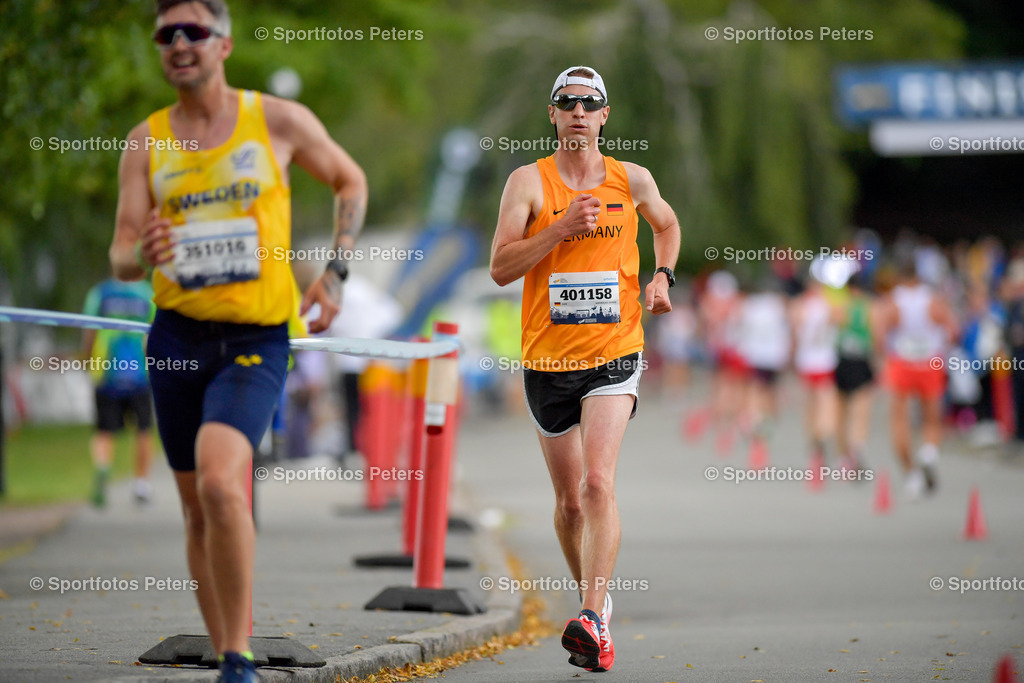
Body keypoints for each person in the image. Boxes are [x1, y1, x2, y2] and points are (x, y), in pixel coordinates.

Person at [108, 2, 367, 681]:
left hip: (255, 336)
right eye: (167, 35)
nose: (180, 43)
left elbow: (350, 178)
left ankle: (237, 659)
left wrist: (335, 271)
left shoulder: (275, 120)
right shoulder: (145, 141)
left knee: (224, 483)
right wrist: (145, 249)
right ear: (160, 51)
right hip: (174, 340)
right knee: (196, 508)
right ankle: (227, 644)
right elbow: (120, 257)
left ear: (223, 44)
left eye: (194, 31)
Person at [489, 65, 680, 673]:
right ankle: (589, 600)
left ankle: (594, 617)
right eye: (566, 101)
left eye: (588, 102)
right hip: (546, 360)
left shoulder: (633, 178)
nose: (577, 110)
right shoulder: (527, 183)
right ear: (552, 114)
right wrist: (560, 228)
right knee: (570, 504)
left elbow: (668, 226)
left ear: (604, 114)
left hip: (615, 351)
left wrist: (661, 275)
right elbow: (499, 267)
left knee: (599, 483)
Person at [877, 259, 958, 498]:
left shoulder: (894, 301)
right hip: (930, 361)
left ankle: (911, 473)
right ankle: (929, 452)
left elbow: (880, 333)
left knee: (899, 419)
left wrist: (885, 354)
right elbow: (952, 330)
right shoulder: (932, 299)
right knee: (931, 416)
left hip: (901, 362)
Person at [82, 277, 157, 507]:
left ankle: (103, 468)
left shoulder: (100, 293)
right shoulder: (148, 294)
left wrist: (86, 361)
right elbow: (156, 334)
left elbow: (89, 331)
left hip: (107, 372)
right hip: (139, 373)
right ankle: (141, 483)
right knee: (143, 430)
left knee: (104, 431)